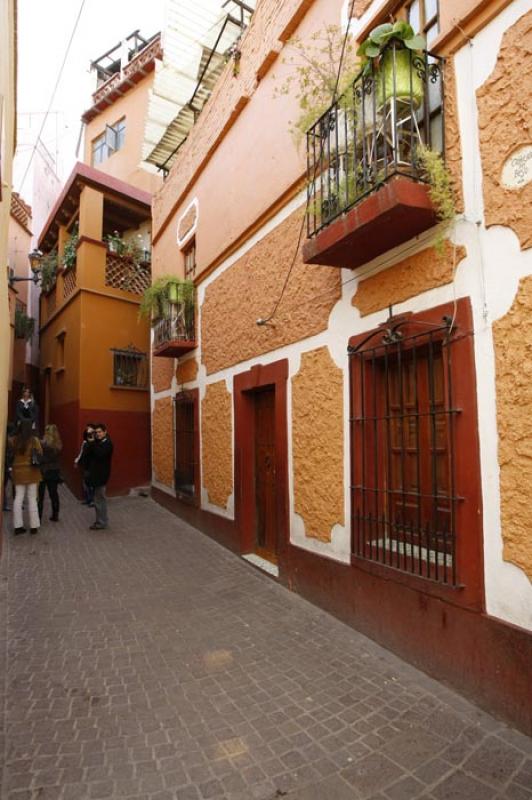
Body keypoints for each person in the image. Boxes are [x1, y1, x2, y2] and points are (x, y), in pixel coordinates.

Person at [11, 419, 43, 535]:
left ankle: (18, 526)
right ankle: (34, 526)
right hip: (32, 472)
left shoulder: (14, 440)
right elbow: (40, 453)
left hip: (18, 472)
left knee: (18, 498)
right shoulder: (34, 440)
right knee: (32, 499)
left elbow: (11, 453)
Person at [84, 423, 113, 530]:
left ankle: (101, 522)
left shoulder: (108, 444)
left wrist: (92, 444)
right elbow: (88, 449)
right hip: (95, 475)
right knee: (98, 499)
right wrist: (89, 433)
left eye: (100, 432)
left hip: (102, 476)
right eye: (96, 432)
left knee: (100, 499)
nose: (98, 434)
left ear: (105, 432)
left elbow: (100, 454)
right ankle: (100, 520)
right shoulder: (97, 442)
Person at [38, 424, 63, 523]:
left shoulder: (42, 444)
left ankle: (38, 518)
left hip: (43, 471)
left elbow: (40, 458)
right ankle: (55, 515)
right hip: (54, 471)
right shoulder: (58, 444)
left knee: (40, 496)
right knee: (54, 494)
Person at [74, 423, 96, 506]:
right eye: (87, 430)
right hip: (86, 465)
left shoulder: (96, 443)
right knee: (85, 483)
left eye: (90, 429)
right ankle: (88, 499)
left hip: (93, 466)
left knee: (91, 484)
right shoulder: (85, 442)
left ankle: (92, 500)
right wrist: (76, 461)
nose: (88, 431)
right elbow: (81, 452)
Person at [3, 422, 16, 511]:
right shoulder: (9, 441)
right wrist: (9, 467)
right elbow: (8, 455)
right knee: (15, 484)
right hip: (9, 466)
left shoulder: (7, 440)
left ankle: (5, 504)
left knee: (4, 485)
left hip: (8, 466)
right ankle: (8, 504)